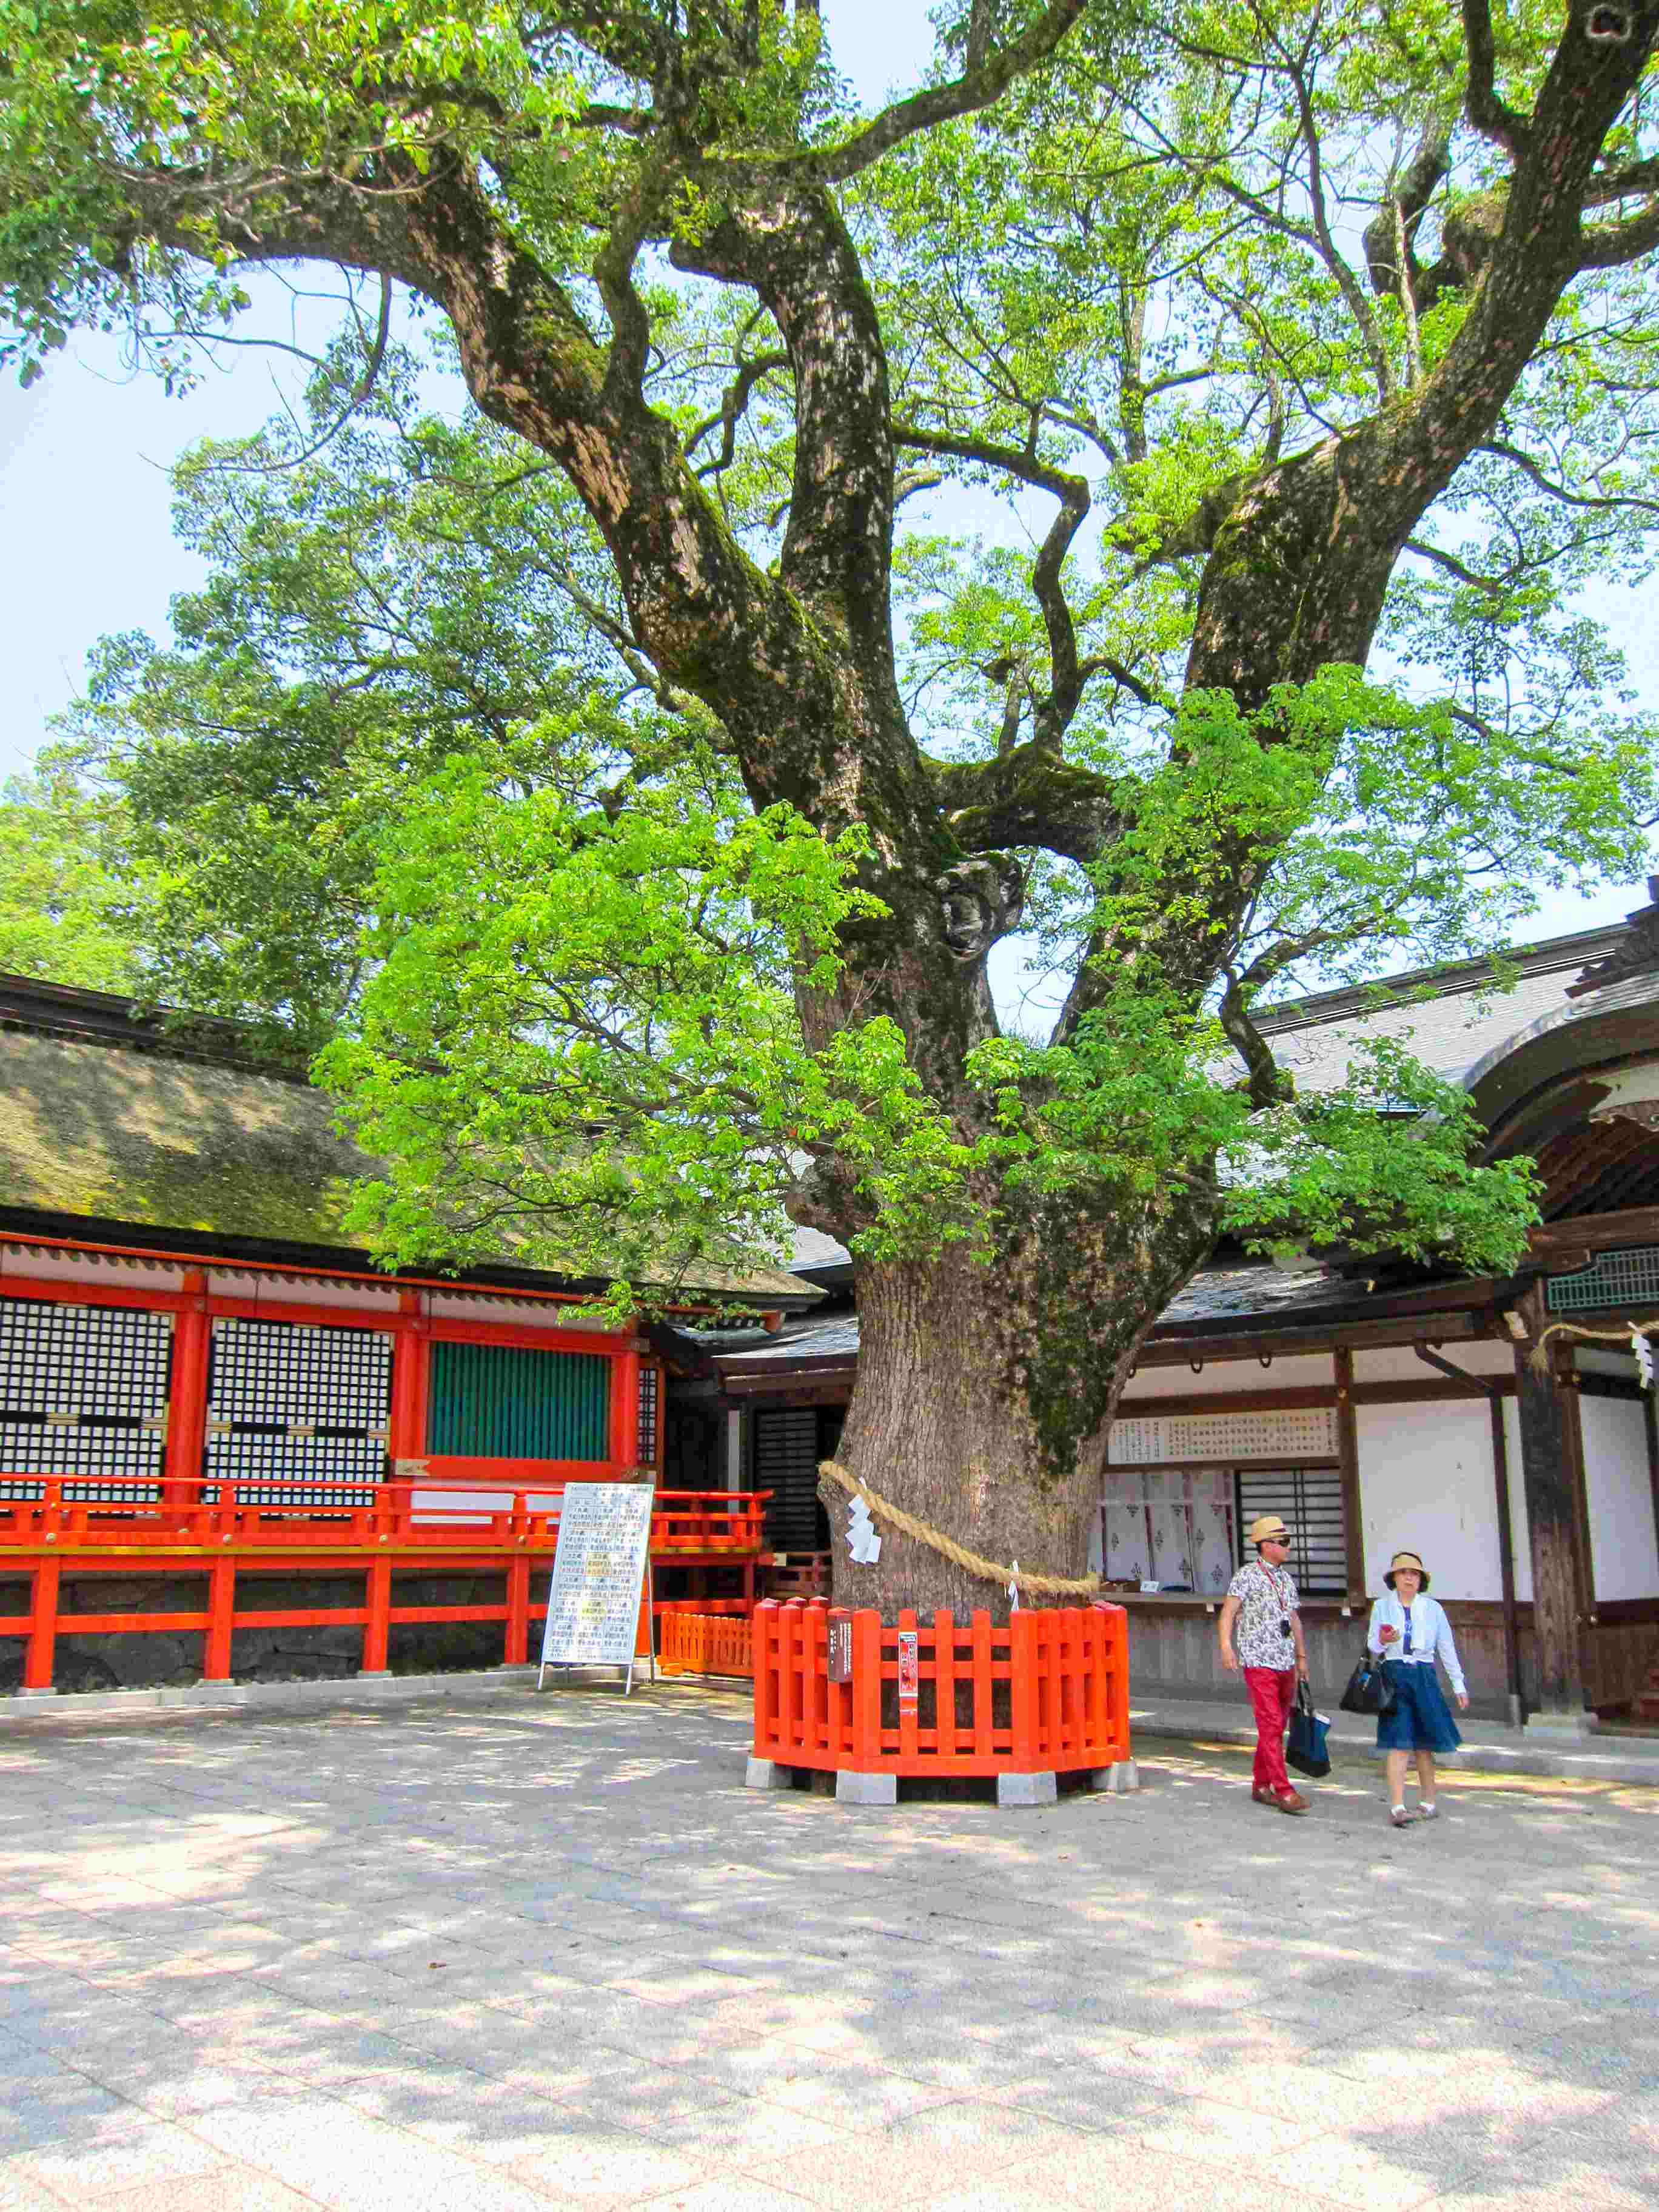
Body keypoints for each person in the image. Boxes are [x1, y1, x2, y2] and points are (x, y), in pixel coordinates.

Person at [1367, 1549, 1469, 1827]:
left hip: (1424, 1673)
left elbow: (1446, 1647)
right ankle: (1398, 1806)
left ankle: (1429, 1802)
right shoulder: (1381, 1607)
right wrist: (1383, 1639)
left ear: (1421, 1580)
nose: (1408, 1578)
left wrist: (1458, 1684)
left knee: (1424, 1744)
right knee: (1398, 1743)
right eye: (1403, 1573)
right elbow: (1373, 1648)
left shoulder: (1433, 1609)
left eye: (1414, 1574)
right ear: (1394, 1578)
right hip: (1394, 1673)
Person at [1218, 1513, 1310, 1814]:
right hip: (1258, 1659)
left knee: (1276, 1726)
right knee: (1270, 1723)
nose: (1287, 1547)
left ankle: (1260, 1783)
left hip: (1284, 1659)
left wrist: (1301, 1657)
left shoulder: (1285, 1578)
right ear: (1266, 1545)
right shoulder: (1246, 1575)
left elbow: (1294, 1619)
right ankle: (1283, 1790)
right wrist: (1226, 1646)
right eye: (1282, 1542)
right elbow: (1229, 1612)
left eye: (1288, 1542)